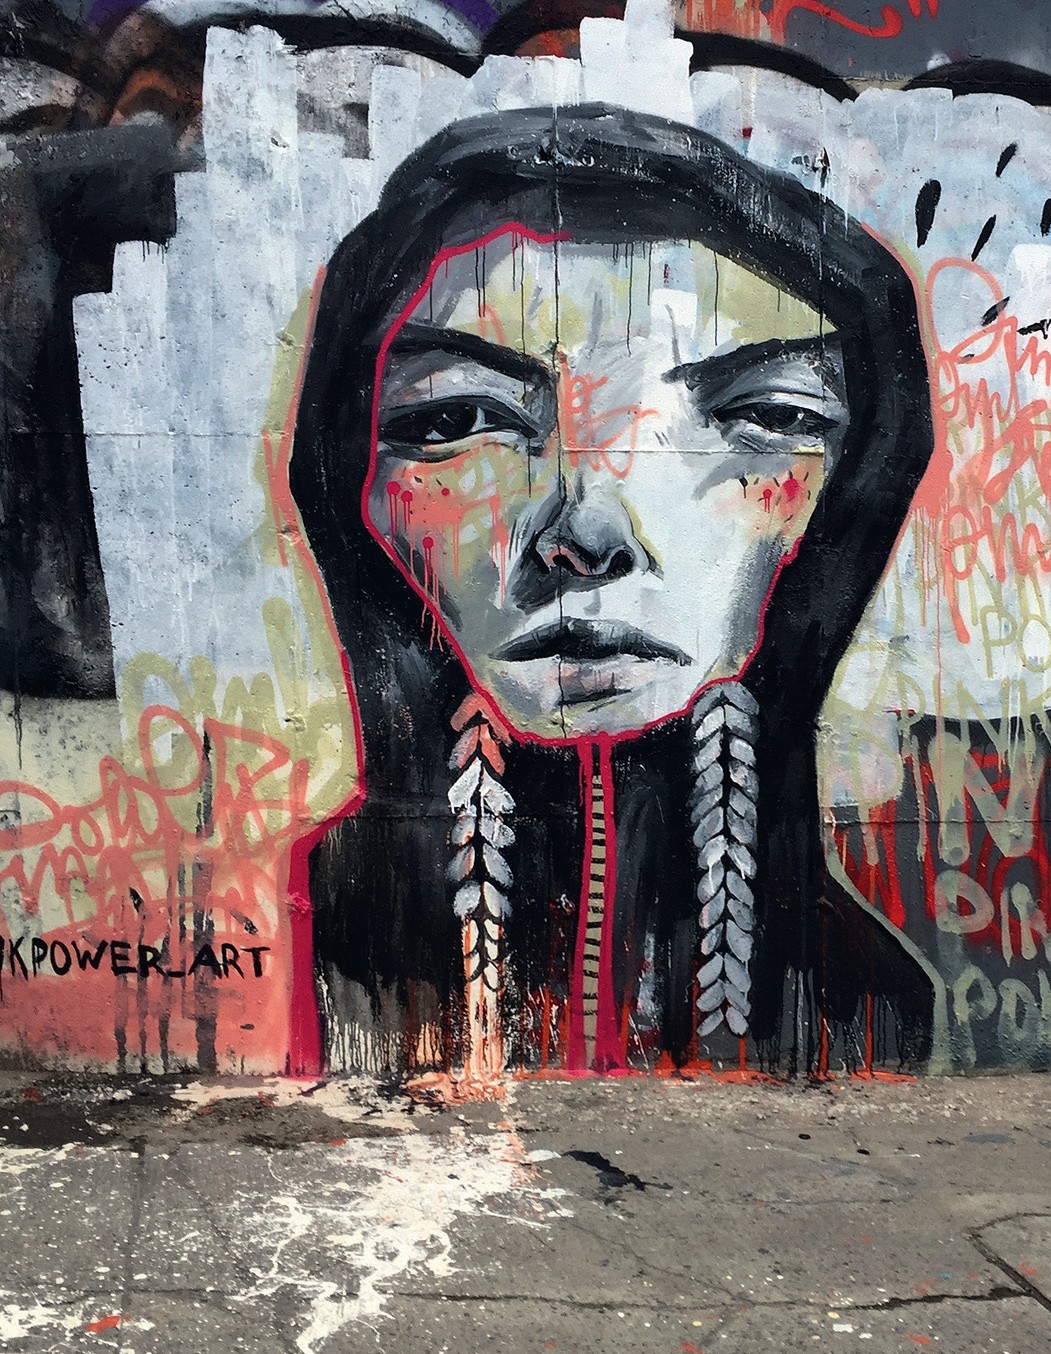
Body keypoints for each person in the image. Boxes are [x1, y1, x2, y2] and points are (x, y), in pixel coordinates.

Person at [288, 102, 937, 1077]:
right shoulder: (269, 950)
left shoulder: (868, 1005)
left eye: (766, 418)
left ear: (854, 490)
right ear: (353, 486)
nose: (583, 537)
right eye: (456, 419)